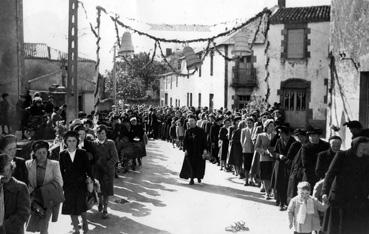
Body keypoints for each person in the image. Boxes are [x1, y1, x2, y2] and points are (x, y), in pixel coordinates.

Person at [321, 136, 369, 234]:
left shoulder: (367, 159)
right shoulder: (342, 155)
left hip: (358, 198)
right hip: (340, 197)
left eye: (367, 147)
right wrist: (324, 192)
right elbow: (330, 175)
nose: (365, 149)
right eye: (363, 147)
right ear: (355, 146)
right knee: (338, 226)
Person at [25, 141, 63, 234]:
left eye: (44, 152)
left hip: (48, 198)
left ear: (47, 152)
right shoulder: (28, 164)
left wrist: (43, 190)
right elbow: (26, 180)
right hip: (33, 199)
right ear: (34, 153)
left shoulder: (54, 164)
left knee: (44, 225)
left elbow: (59, 182)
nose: (42, 155)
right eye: (39, 153)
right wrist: (30, 189)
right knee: (32, 224)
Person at [59, 131, 92, 233]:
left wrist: (90, 178)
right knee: (71, 207)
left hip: (81, 184)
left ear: (77, 141)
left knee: (82, 207)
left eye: (74, 141)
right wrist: (61, 184)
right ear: (66, 142)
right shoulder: (62, 154)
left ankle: (85, 224)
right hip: (68, 185)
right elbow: (60, 170)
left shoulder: (82, 153)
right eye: (69, 141)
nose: (72, 143)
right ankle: (76, 230)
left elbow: (88, 169)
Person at [92, 125, 119, 219]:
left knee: (106, 191)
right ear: (96, 134)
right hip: (97, 171)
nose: (100, 135)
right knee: (98, 189)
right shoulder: (93, 144)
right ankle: (100, 202)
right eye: (98, 133)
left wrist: (107, 165)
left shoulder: (110, 143)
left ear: (105, 134)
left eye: (102, 133)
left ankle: (105, 209)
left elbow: (115, 158)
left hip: (108, 171)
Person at [0, 153, 30, 234]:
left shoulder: (20, 187)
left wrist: (4, 226)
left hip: (12, 231)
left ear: (12, 169)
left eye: (8, 170)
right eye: (2, 172)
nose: (5, 175)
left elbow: (24, 213)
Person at [179, 115, 208, 185]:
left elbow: (204, 141)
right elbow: (185, 142)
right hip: (190, 151)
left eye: (192, 121)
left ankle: (199, 177)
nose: (190, 122)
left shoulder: (201, 130)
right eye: (189, 121)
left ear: (195, 121)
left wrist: (205, 149)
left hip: (199, 151)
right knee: (190, 165)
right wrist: (185, 149)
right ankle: (191, 178)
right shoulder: (188, 131)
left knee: (199, 165)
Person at [272, 124, 295, 211]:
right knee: (279, 183)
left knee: (288, 184)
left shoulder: (293, 142)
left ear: (287, 134)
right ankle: (281, 202)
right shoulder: (278, 141)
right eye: (279, 133)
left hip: (289, 165)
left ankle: (287, 202)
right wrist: (279, 156)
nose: (279, 135)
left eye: (281, 133)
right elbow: (274, 152)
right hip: (280, 165)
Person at [255, 119, 276, 199]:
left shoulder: (275, 135)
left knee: (272, 176)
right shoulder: (260, 135)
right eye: (270, 126)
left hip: (273, 159)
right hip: (264, 158)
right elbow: (256, 147)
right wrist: (264, 152)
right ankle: (267, 192)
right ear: (266, 127)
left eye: (273, 126)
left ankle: (273, 191)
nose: (272, 127)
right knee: (265, 176)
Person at [241, 117, 255, 186]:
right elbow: (242, 140)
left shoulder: (255, 130)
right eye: (248, 123)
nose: (249, 124)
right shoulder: (244, 130)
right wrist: (244, 147)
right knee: (246, 166)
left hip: (253, 150)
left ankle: (252, 180)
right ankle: (246, 180)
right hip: (246, 150)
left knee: (253, 166)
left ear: (253, 123)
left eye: (250, 123)